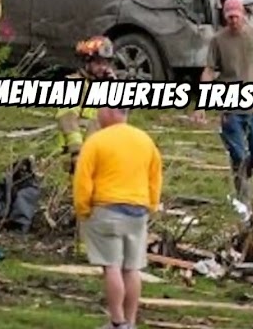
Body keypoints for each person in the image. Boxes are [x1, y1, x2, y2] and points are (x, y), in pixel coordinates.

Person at [74, 107, 163, 329]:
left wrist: (83, 209)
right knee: (132, 268)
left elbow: (83, 179)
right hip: (138, 210)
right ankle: (130, 322)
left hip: (106, 209)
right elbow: (155, 177)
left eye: (100, 111)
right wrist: (151, 204)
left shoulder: (97, 141)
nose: (97, 115)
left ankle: (117, 321)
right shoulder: (144, 140)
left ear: (112, 112)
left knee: (111, 266)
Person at [192, 0, 253, 201]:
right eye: (229, 18)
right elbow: (209, 71)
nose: (233, 21)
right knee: (237, 155)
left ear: (243, 14)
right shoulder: (218, 40)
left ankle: (244, 175)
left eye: (236, 17)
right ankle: (242, 199)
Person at [57, 36, 119, 175]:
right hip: (71, 158)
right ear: (87, 61)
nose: (103, 68)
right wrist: (77, 152)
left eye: (106, 63)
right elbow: (67, 119)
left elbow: (120, 117)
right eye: (98, 63)